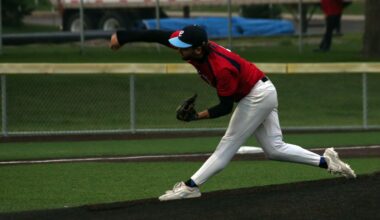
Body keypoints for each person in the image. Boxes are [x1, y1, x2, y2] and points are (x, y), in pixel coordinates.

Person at [110, 25, 356, 201]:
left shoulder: (222, 69)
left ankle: (191, 186)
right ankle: (327, 162)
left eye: (182, 47)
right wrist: (122, 36)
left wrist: (196, 117)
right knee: (275, 149)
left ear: (197, 49)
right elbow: (157, 35)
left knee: (227, 145)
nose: (177, 49)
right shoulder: (196, 48)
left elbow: (225, 107)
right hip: (260, 90)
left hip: (256, 96)